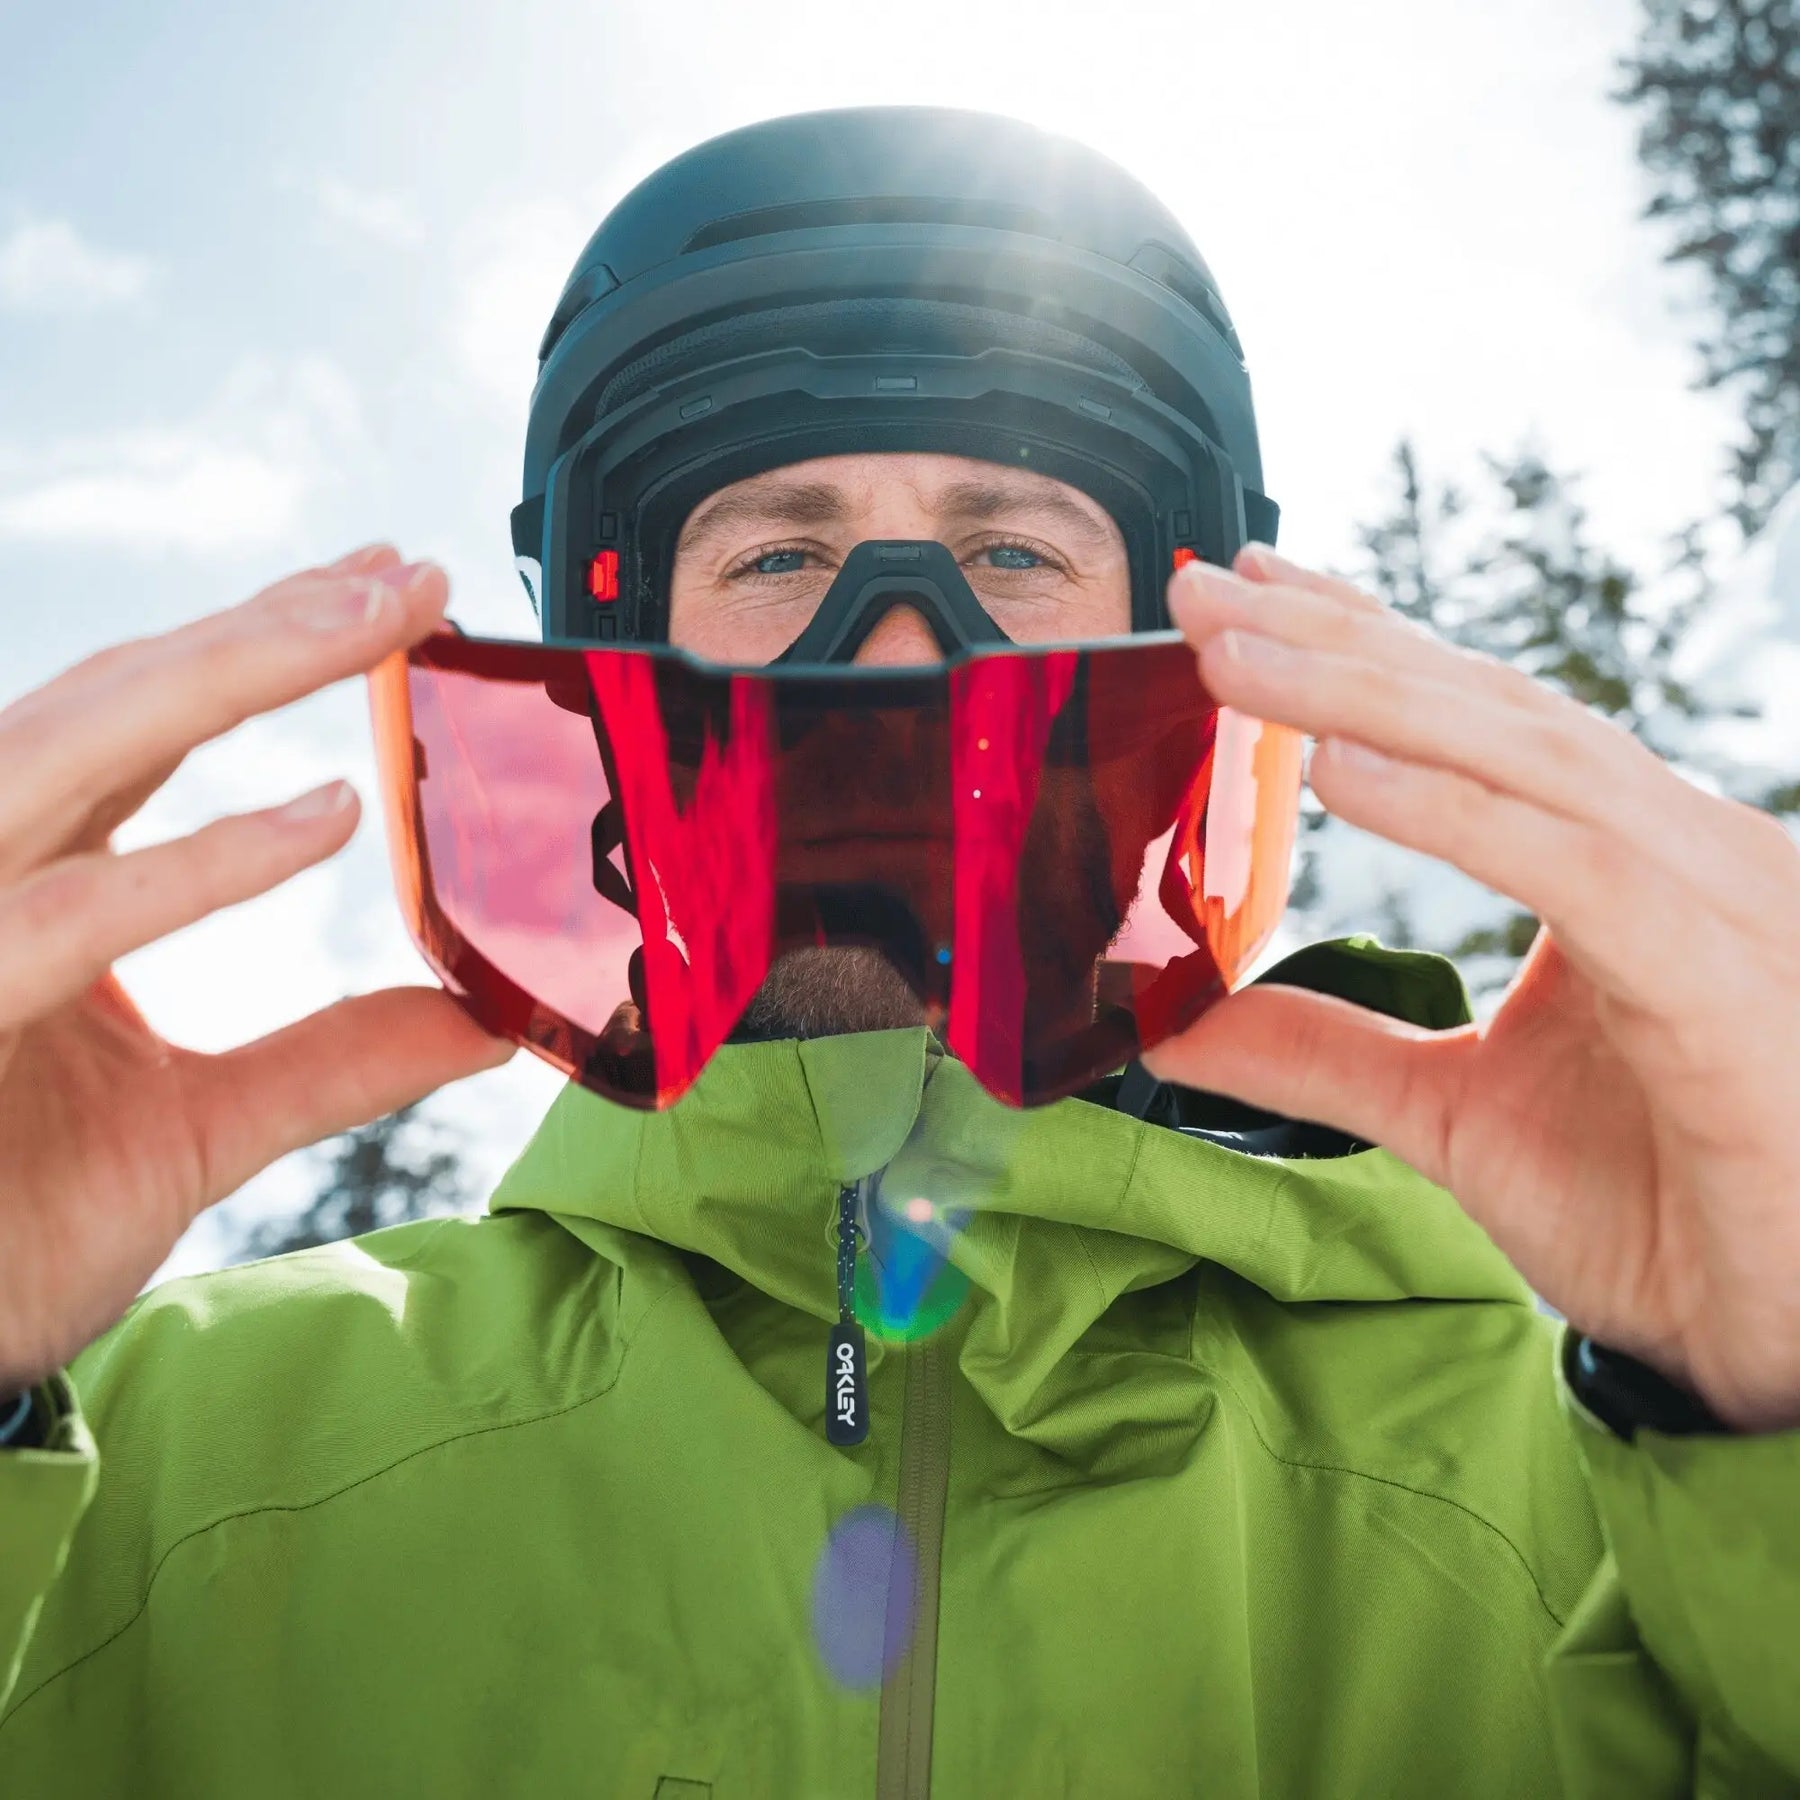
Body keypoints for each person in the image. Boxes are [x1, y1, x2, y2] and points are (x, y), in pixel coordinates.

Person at [0, 106, 1795, 1799]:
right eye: (781, 557)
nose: (898, 657)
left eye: (1009, 548)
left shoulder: (1607, 1499)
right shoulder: (165, 1472)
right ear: (614, 676)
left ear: (1187, 666)